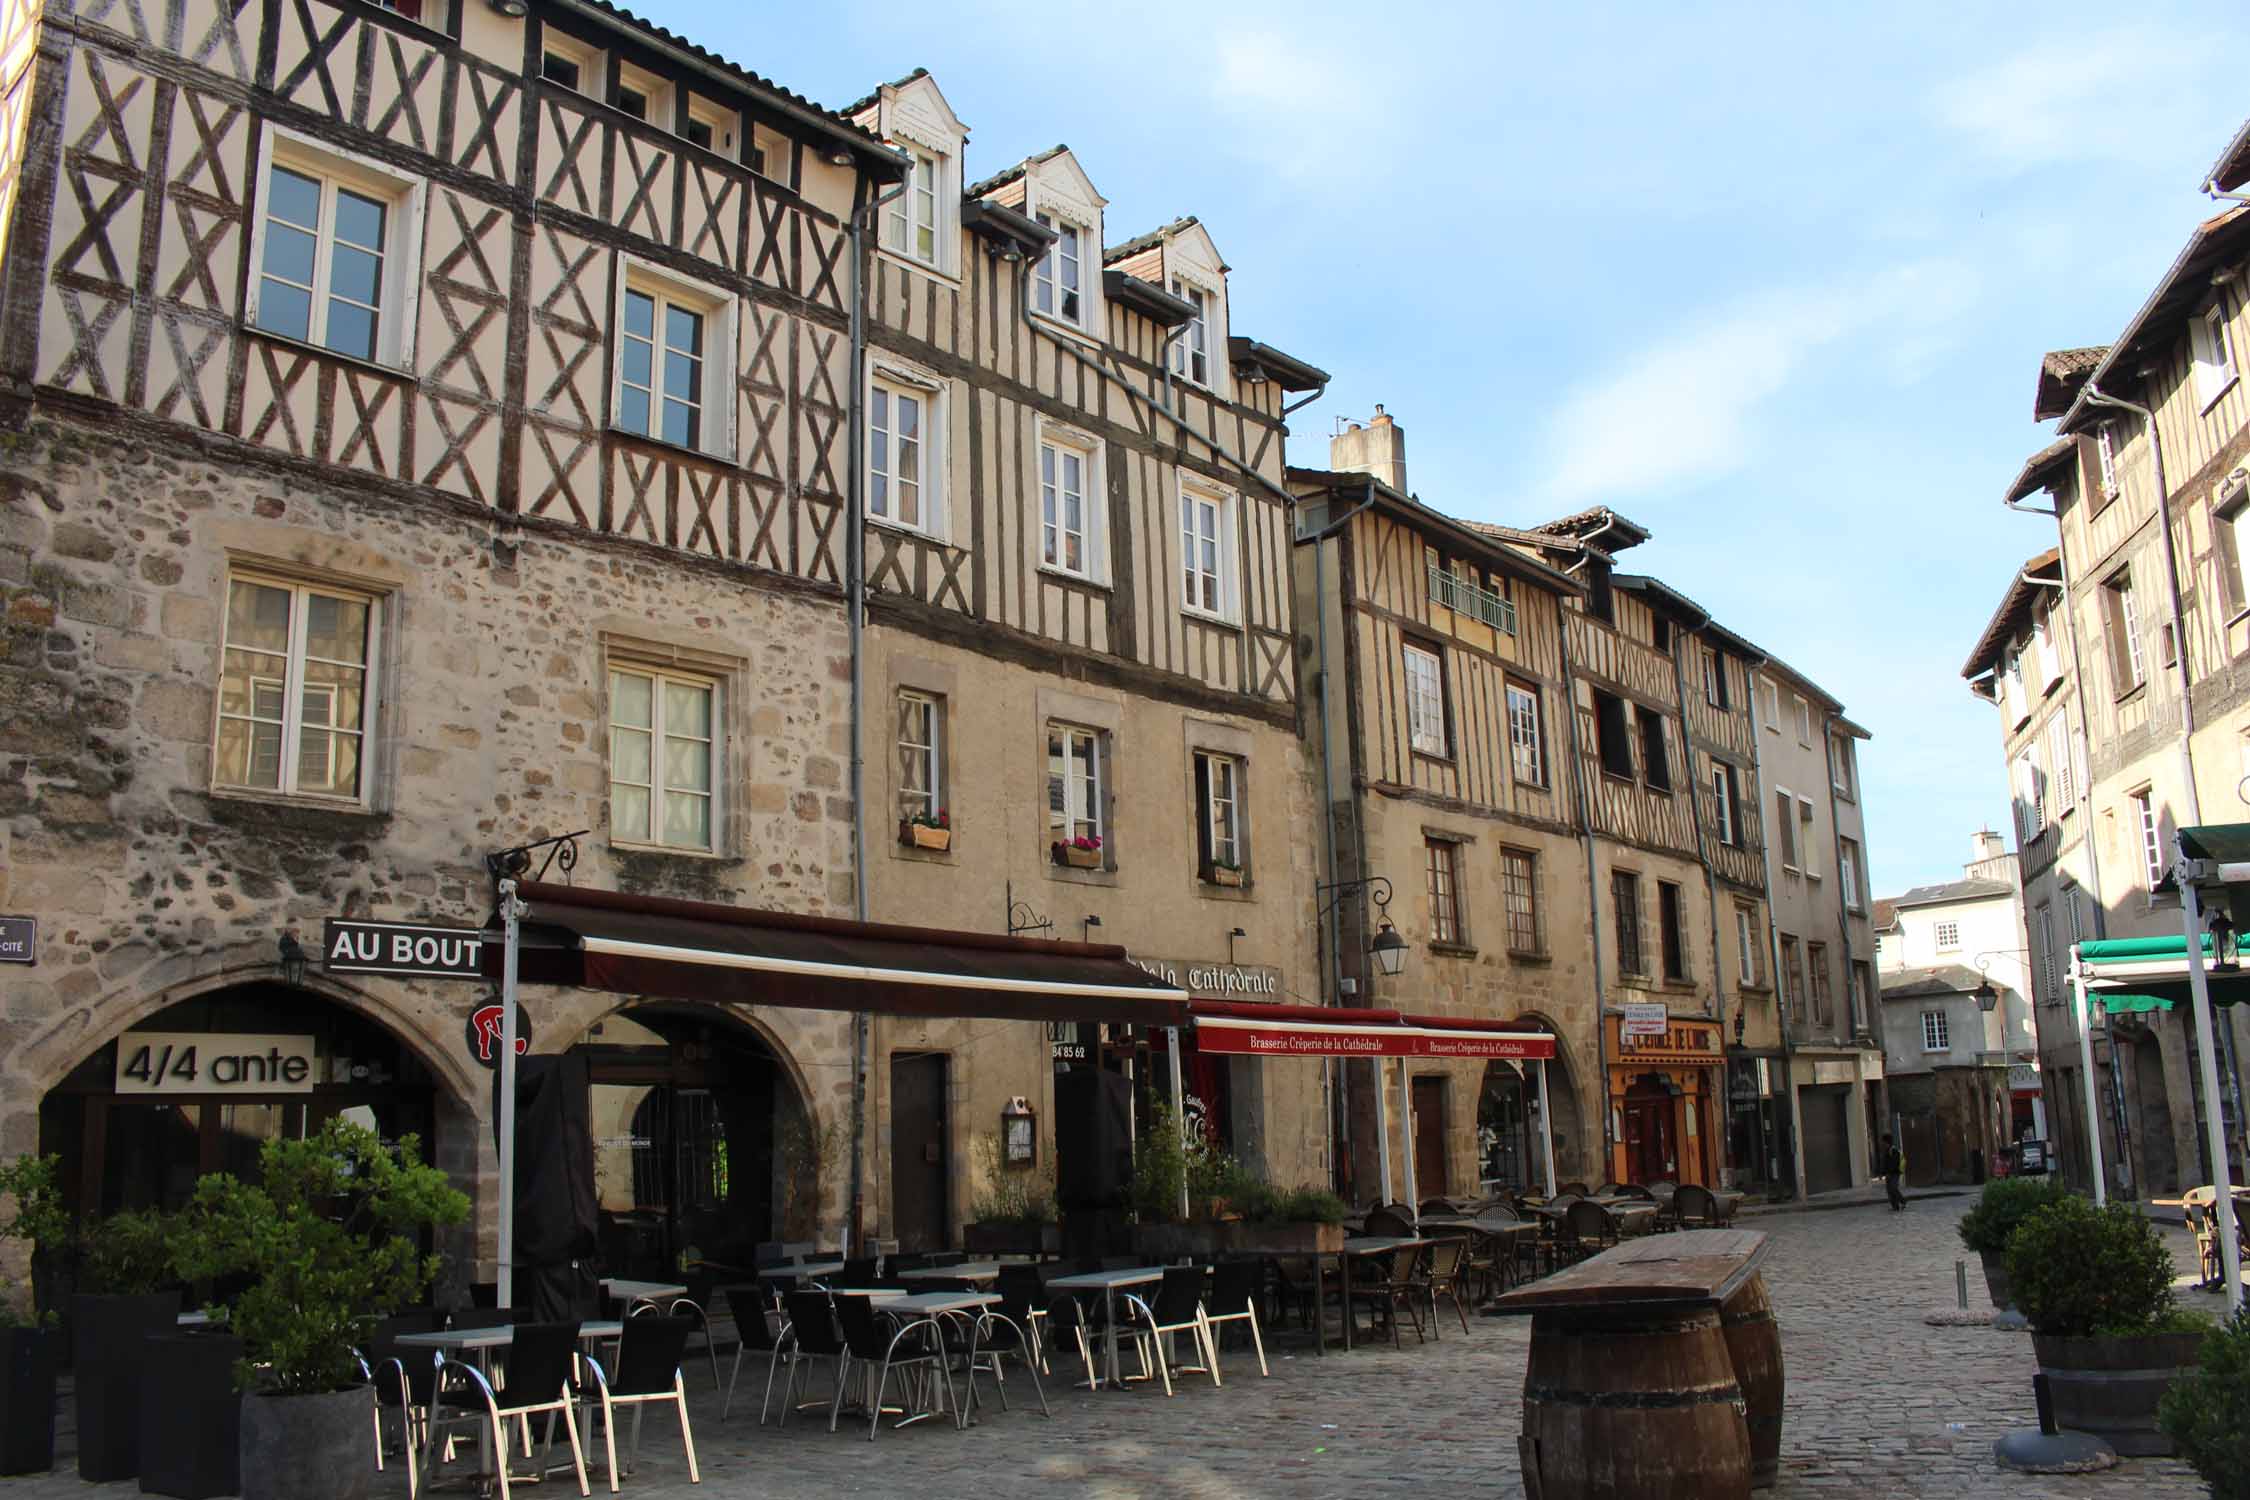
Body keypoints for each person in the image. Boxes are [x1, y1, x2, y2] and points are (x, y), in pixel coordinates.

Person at [1880, 1133, 1906, 1211]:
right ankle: (1895, 1206)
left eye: (1883, 1142)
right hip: (1889, 1174)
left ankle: (1903, 1201)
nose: (1882, 1143)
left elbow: (1893, 1163)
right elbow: (1885, 1163)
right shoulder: (1887, 1150)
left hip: (1894, 1174)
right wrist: (1882, 1173)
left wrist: (1888, 1173)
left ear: (1886, 1142)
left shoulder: (1893, 1150)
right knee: (1889, 1190)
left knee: (1893, 1188)